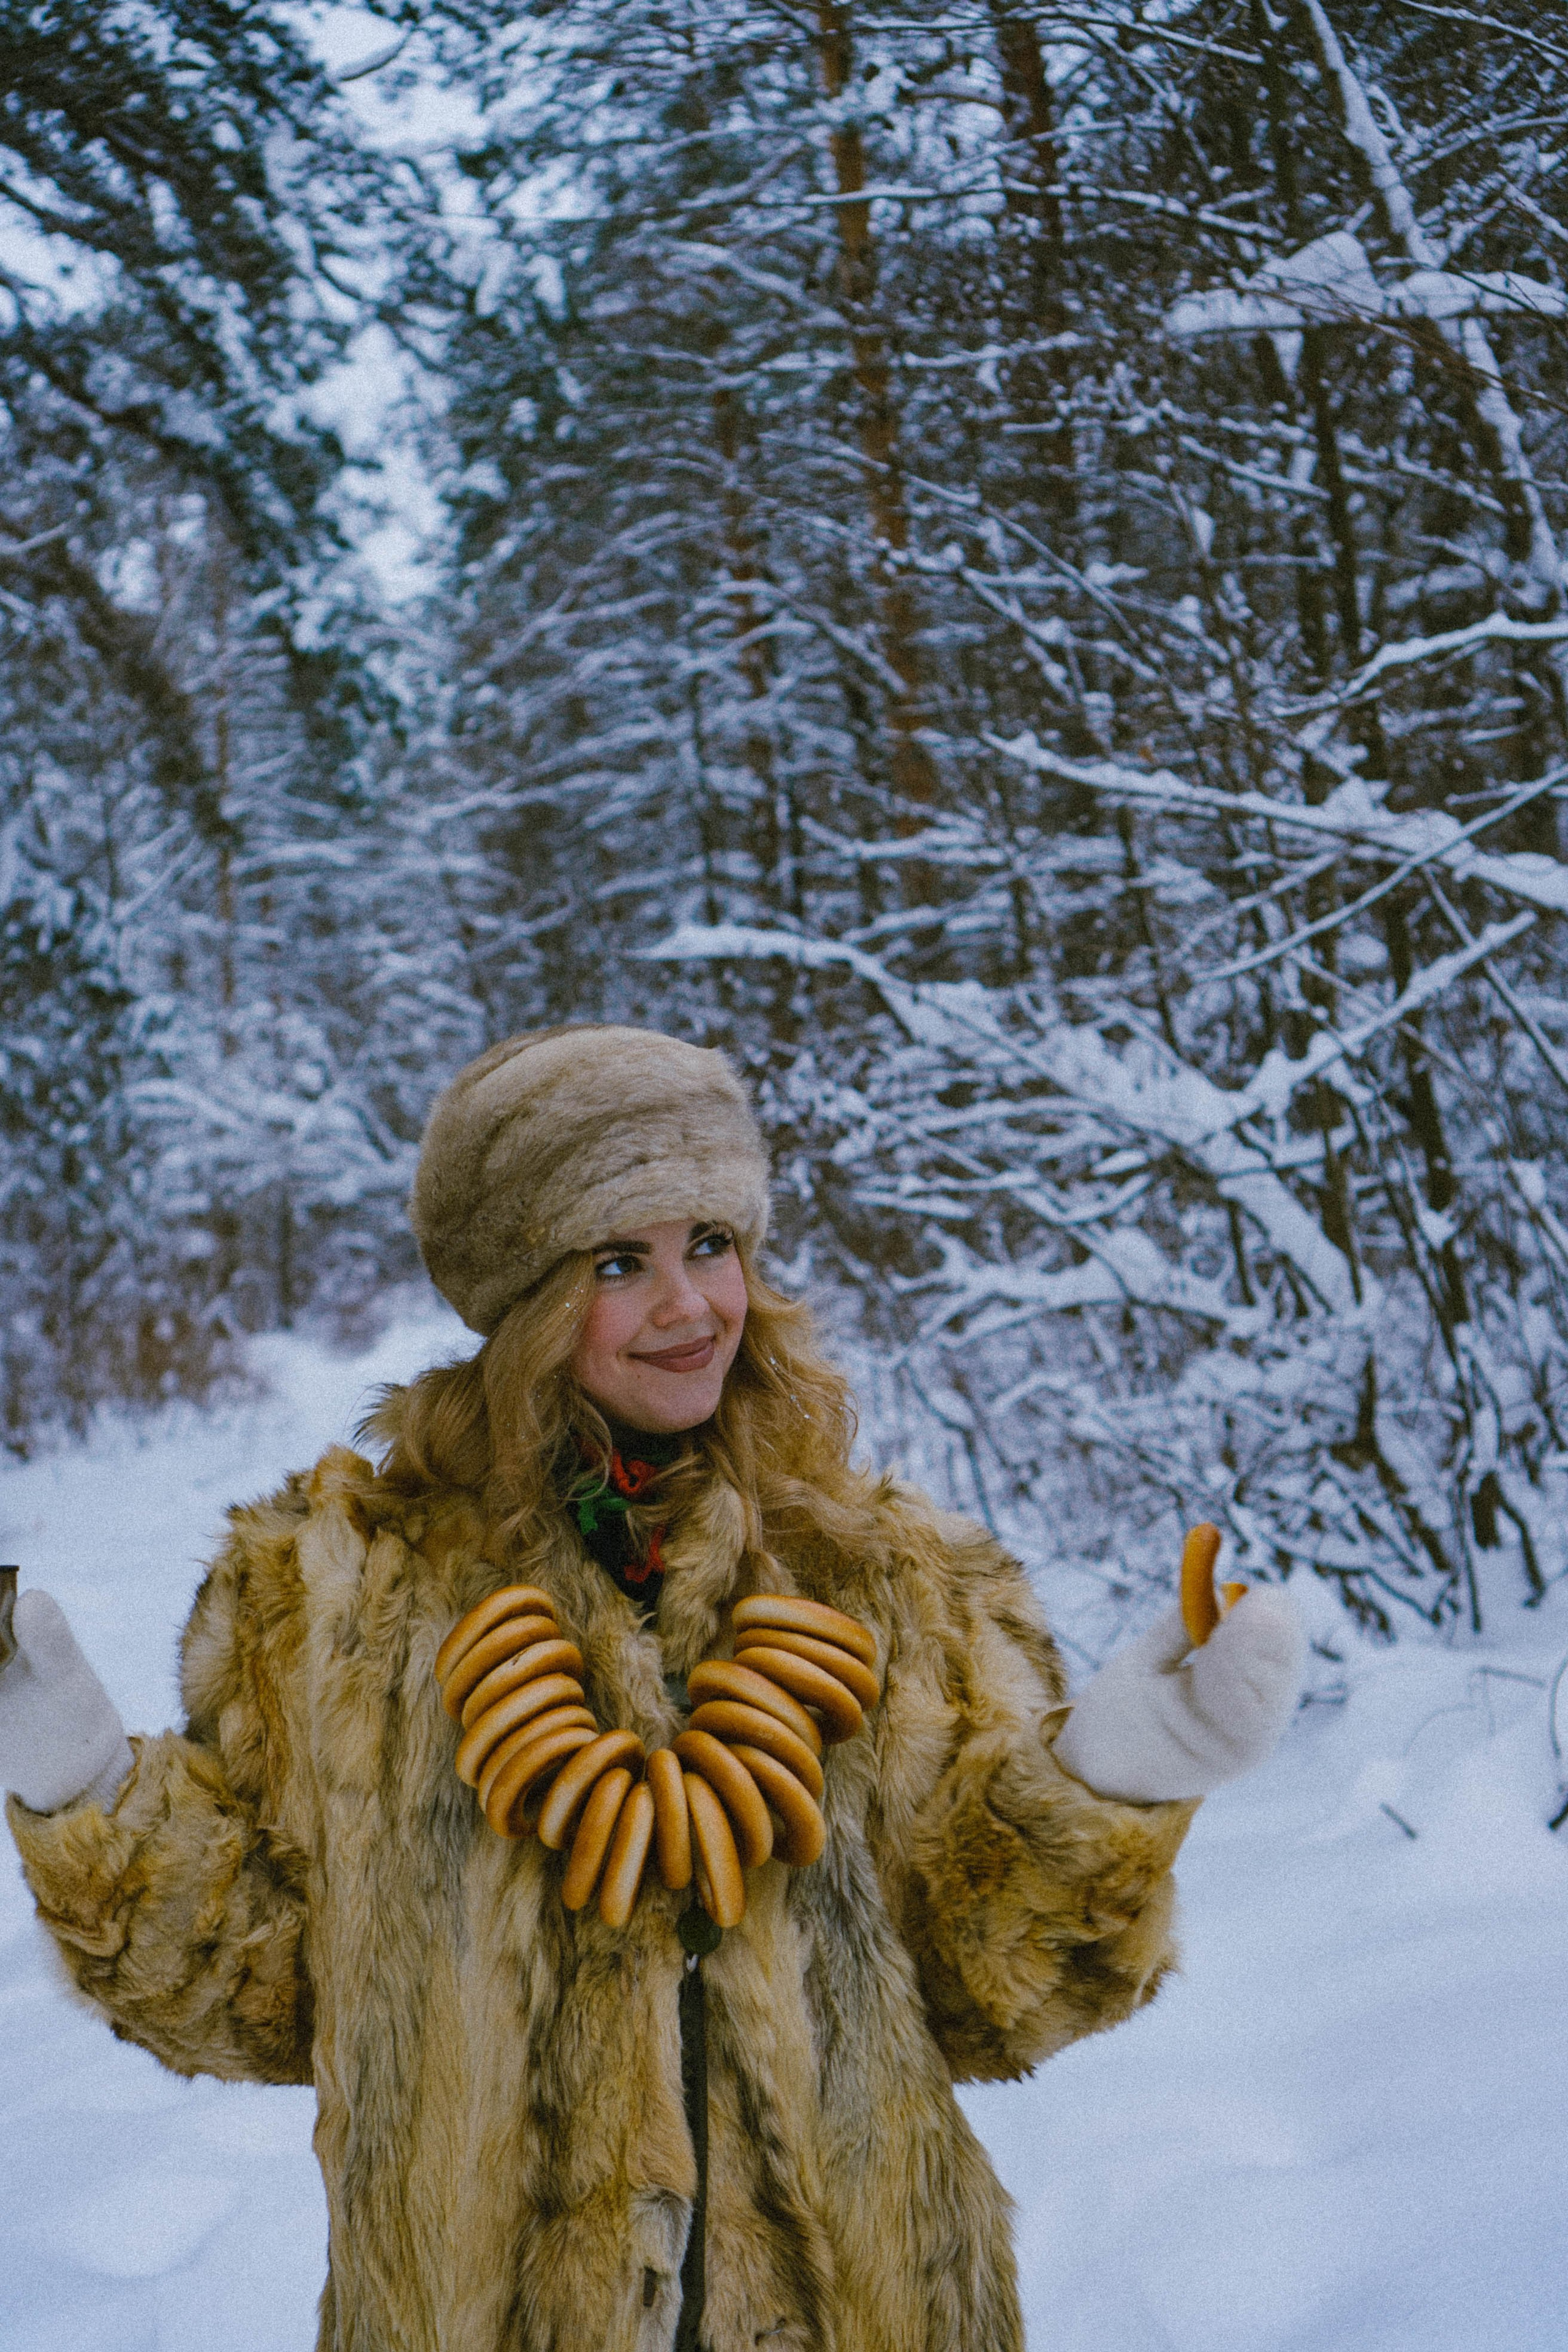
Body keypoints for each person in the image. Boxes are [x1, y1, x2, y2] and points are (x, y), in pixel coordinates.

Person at [0, 1027, 1303, 2352]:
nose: (690, 1308)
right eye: (620, 1262)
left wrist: (1115, 1779)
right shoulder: (333, 1598)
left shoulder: (890, 1581)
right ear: (525, 1299)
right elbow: (260, 1997)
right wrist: (87, 1789)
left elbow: (985, 1999)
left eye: (712, 1245)